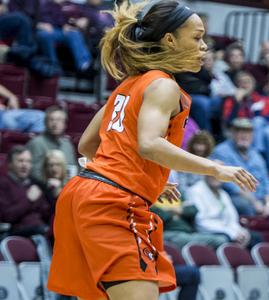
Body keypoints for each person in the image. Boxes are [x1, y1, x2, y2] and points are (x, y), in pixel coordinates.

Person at [47, 1, 257, 300]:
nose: (204, 47)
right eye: (196, 38)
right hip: (112, 202)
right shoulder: (163, 86)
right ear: (170, 39)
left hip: (82, 194)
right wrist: (215, 167)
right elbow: (149, 144)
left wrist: (145, 177)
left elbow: (87, 145)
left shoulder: (130, 84)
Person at [211, 118, 269, 217]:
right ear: (232, 133)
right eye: (240, 131)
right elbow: (230, 185)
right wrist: (254, 202)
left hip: (260, 199)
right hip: (237, 197)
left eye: (248, 132)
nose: (244, 135)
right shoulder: (221, 151)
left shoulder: (256, 154)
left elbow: (267, 182)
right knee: (244, 206)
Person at [187, 167, 262, 249]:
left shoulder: (223, 194)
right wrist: (231, 233)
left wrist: (240, 231)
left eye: (219, 173)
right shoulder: (195, 191)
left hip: (227, 231)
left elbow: (232, 219)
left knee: (255, 237)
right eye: (213, 173)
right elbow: (201, 222)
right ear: (205, 174)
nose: (216, 176)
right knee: (225, 240)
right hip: (207, 231)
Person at [0, 146, 51, 237]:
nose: (25, 165)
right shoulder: (3, 184)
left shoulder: (34, 184)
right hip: (17, 232)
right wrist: (29, 200)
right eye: (20, 161)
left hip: (40, 229)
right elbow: (7, 216)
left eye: (28, 161)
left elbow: (46, 214)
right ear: (10, 164)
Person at [26, 106, 77, 182]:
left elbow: (73, 169)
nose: (55, 123)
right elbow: (34, 174)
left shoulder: (68, 145)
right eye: (51, 120)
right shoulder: (36, 143)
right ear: (45, 123)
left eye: (59, 120)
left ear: (65, 124)